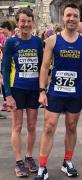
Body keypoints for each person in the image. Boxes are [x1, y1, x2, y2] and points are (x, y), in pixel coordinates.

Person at [34, 3, 82, 180]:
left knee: (72, 127)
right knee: (49, 127)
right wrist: (42, 91)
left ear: (79, 19)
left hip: (75, 93)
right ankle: (42, 166)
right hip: (56, 92)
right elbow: (44, 67)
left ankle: (67, 162)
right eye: (68, 15)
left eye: (75, 15)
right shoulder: (52, 40)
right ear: (63, 17)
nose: (71, 18)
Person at [2, 7, 43, 177]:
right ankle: (19, 161)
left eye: (28, 21)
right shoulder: (11, 42)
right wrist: (8, 95)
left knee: (32, 126)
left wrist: (43, 90)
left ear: (32, 23)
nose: (26, 24)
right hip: (17, 89)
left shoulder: (38, 42)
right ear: (17, 23)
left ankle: (28, 157)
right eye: (22, 21)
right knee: (17, 126)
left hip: (33, 90)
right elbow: (4, 69)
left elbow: (42, 66)